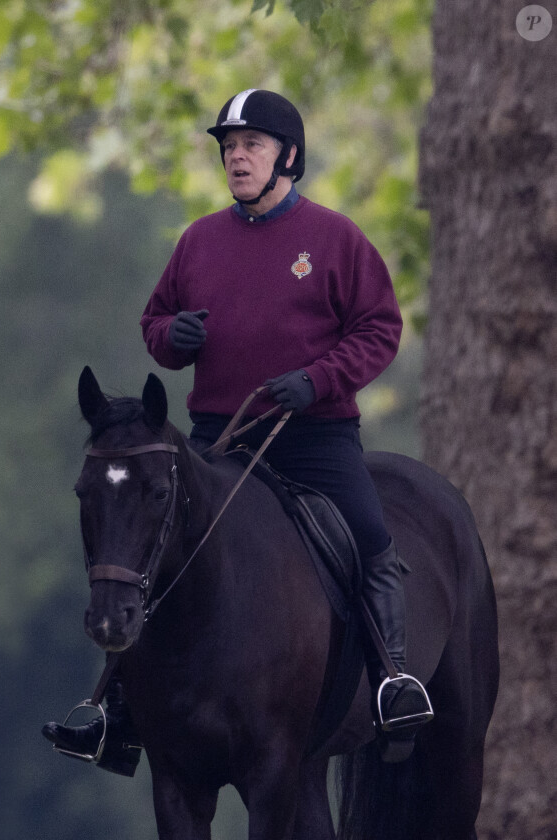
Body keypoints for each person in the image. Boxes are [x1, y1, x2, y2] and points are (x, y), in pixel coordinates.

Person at [43, 89, 432, 771]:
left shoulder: (335, 239)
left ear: (288, 156)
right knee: (152, 545)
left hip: (314, 437)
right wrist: (174, 334)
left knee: (371, 540)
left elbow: (380, 330)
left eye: (250, 144)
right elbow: (156, 327)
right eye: (228, 147)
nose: (236, 157)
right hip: (220, 437)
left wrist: (314, 380)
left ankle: (394, 682)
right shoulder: (198, 241)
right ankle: (115, 711)